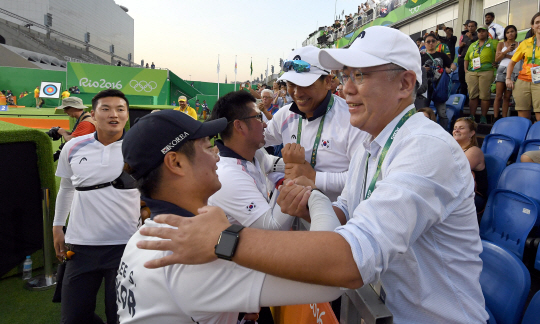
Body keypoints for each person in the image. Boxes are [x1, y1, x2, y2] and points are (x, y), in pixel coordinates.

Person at [136, 26, 488, 323]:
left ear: (405, 84)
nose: (346, 88)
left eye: (360, 75)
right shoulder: (371, 141)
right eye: (346, 75)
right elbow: (346, 213)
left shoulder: (426, 148)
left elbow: (351, 261)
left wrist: (224, 239)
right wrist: (306, 201)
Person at [117, 109, 343, 323]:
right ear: (176, 163)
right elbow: (332, 275)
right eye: (207, 148)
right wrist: (315, 196)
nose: (217, 157)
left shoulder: (139, 240)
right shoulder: (194, 257)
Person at [52, 89, 139, 324]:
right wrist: (58, 226)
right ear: (93, 114)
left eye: (121, 109)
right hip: (80, 245)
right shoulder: (73, 147)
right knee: (73, 317)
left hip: (126, 246)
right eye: (106, 108)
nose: (114, 114)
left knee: (120, 317)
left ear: (127, 115)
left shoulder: (139, 149)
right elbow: (67, 188)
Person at [265, 45, 368, 203]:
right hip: (293, 218)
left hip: (337, 221)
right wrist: (276, 171)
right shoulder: (284, 115)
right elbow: (254, 144)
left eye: (305, 84)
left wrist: (314, 177)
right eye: (291, 84)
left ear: (327, 82)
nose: (297, 93)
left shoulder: (352, 118)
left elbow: (363, 178)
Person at [207, 90, 292, 231]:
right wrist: (294, 181)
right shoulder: (228, 176)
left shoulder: (254, 155)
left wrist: (294, 162)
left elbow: (272, 164)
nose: (265, 124)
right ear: (239, 126)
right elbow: (271, 228)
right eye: (259, 117)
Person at [506, 12, 540, 121]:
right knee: (523, 118)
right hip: (523, 82)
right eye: (537, 22)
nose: (539, 24)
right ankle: (526, 138)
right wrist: (508, 78)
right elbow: (512, 62)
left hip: (539, 83)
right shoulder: (525, 43)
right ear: (533, 26)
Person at [453, 117, 487, 216]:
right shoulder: (451, 149)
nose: (457, 130)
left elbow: (455, 171)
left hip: (473, 196)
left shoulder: (474, 151)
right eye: (455, 128)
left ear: (472, 133)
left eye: (461, 128)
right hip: (456, 192)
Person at [464, 24, 497, 124]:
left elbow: (500, 53)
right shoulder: (473, 44)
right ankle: (472, 116)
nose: (481, 33)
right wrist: (466, 70)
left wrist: (497, 62)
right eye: (479, 31)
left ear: (487, 33)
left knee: (484, 95)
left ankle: (483, 117)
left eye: (483, 31)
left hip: (487, 71)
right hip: (472, 72)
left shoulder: (493, 43)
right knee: (472, 95)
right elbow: (466, 59)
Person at [420, 33, 453, 130]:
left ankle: (444, 134)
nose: (431, 43)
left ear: (436, 42)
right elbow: (413, 69)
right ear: (424, 44)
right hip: (424, 89)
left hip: (440, 88)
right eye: (428, 41)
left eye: (433, 41)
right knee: (422, 114)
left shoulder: (441, 55)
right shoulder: (420, 56)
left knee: (442, 113)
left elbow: (452, 65)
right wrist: (422, 69)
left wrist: (450, 70)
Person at [493, 25, 519, 119]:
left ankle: (504, 118)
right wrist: (506, 51)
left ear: (515, 32)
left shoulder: (519, 44)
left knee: (507, 97)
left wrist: (506, 55)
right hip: (502, 68)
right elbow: (497, 59)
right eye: (507, 32)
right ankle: (495, 118)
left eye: (512, 31)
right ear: (505, 34)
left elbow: (520, 58)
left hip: (513, 70)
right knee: (498, 95)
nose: (510, 34)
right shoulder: (501, 44)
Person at [458, 20, 478, 98]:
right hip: (463, 59)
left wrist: (472, 38)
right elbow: (460, 51)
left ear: (475, 27)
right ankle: (464, 99)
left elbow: (478, 46)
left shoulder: (478, 36)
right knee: (462, 79)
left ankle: (473, 97)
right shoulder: (464, 36)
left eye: (472, 26)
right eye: (469, 26)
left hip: (473, 59)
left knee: (474, 79)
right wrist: (460, 46)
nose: (470, 28)